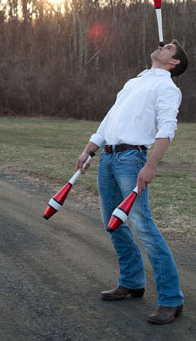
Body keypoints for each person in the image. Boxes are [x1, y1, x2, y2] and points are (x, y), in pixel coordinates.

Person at [76, 40, 189, 324]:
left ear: (174, 63)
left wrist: (150, 165)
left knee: (144, 227)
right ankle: (132, 281)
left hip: (132, 160)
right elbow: (111, 118)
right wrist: (90, 147)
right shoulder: (134, 81)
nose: (163, 46)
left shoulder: (167, 88)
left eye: (170, 48)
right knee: (111, 223)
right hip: (108, 158)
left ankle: (171, 299)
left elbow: (166, 130)